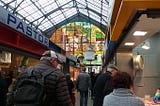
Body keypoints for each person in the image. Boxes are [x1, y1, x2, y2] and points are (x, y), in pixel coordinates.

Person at [8, 50, 73, 106]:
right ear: (52, 60)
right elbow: (65, 101)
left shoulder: (25, 72)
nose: (57, 64)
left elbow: (12, 94)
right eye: (57, 62)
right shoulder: (58, 75)